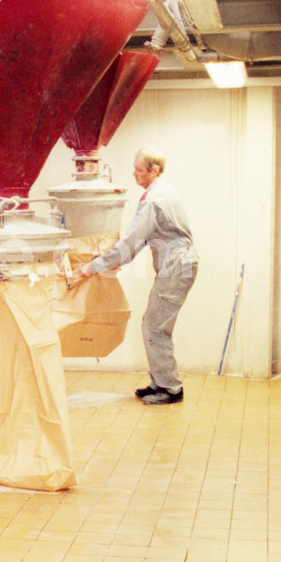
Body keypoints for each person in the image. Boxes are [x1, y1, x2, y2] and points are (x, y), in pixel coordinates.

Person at [79, 147, 198, 405]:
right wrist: (116, 262)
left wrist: (94, 266)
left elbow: (132, 240)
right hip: (179, 264)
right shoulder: (163, 192)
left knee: (154, 326)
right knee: (154, 324)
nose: (134, 173)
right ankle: (160, 381)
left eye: (139, 169)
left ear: (154, 170)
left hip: (176, 265)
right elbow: (142, 240)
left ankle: (171, 389)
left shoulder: (153, 200)